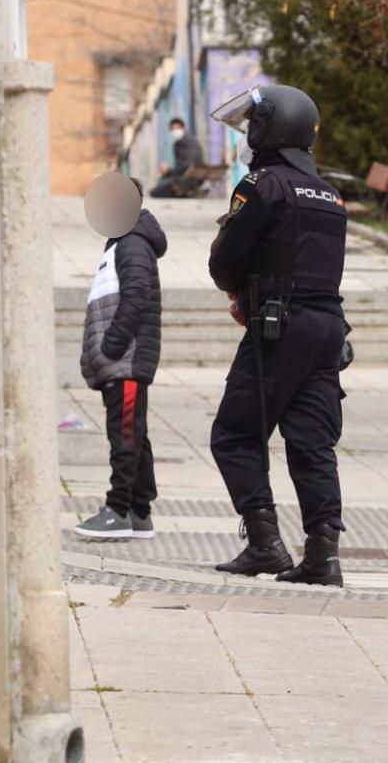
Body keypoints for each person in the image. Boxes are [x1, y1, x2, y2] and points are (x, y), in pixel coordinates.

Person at [205, 84, 351, 586]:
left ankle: (266, 544)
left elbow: (225, 265)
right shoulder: (329, 195)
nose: (249, 133)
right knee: (312, 443)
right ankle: (323, 554)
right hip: (328, 330)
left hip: (278, 327)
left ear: (271, 128)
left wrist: (237, 282)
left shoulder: (262, 185)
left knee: (234, 434)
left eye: (254, 124)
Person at [72, 177, 167, 541]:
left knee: (124, 434)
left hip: (125, 360)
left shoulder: (132, 245)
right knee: (134, 433)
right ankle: (139, 511)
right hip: (119, 362)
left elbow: (136, 296)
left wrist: (112, 347)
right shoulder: (119, 245)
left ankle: (118, 509)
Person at [150, 118, 206, 198]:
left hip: (190, 177)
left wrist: (169, 171)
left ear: (183, 128)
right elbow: (180, 164)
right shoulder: (177, 144)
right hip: (182, 176)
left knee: (157, 191)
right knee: (161, 184)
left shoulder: (190, 142)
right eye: (173, 129)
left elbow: (188, 163)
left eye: (177, 128)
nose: (175, 131)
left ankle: (185, 194)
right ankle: (184, 194)